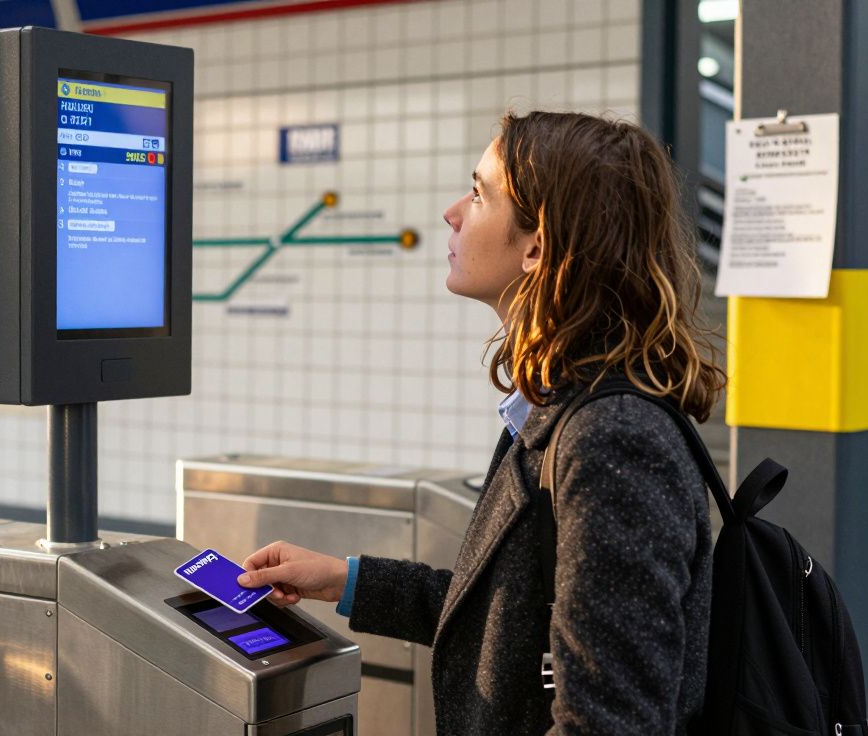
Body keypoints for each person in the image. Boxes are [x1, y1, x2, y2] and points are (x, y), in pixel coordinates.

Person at [237, 111, 725, 734]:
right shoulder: (560, 407)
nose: (452, 213)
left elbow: (611, 720)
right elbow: (510, 618)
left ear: (537, 246)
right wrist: (343, 579)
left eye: (477, 194)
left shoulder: (613, 439)